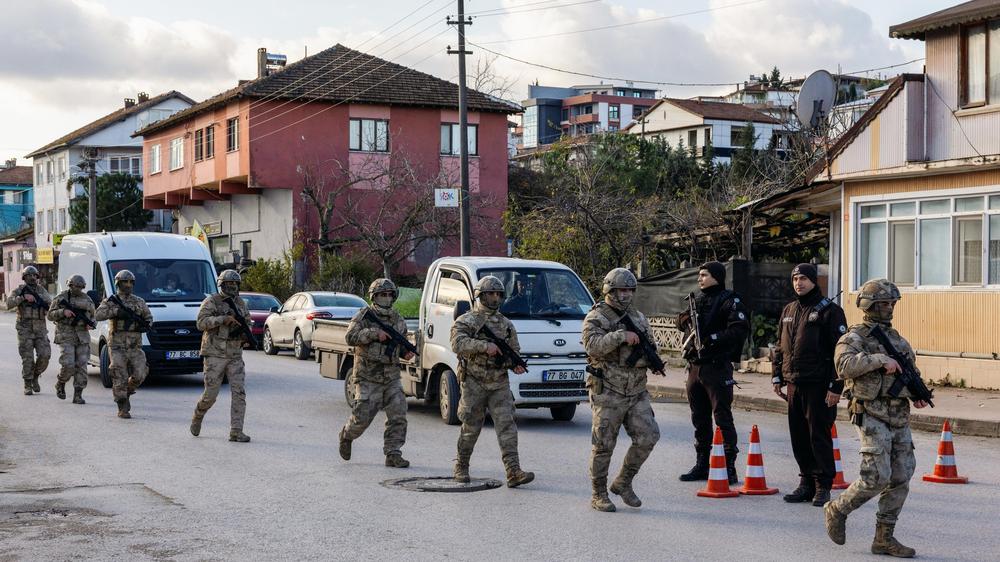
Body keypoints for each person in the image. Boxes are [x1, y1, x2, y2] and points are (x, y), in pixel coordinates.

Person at [824, 279, 927, 558]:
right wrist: (879, 360)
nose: (889, 307)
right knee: (876, 477)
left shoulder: (897, 339)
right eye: (884, 303)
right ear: (869, 304)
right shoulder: (854, 337)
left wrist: (916, 392)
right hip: (870, 413)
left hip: (898, 415)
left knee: (901, 476)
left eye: (892, 303)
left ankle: (884, 538)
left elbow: (909, 372)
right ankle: (837, 509)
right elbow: (843, 366)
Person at [582, 268, 662, 512]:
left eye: (629, 290)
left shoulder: (638, 317)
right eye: (621, 290)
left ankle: (624, 482)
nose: (626, 295)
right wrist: (619, 336)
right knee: (604, 444)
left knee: (649, 436)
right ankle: (598, 493)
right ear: (610, 290)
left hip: (636, 389)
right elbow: (593, 346)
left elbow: (650, 344)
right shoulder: (597, 317)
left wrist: (653, 360)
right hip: (609, 389)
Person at [772, 264, 847, 506]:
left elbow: (840, 352)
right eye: (795, 279)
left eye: (803, 278)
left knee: (819, 436)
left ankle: (823, 486)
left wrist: (836, 387)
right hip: (794, 384)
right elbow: (780, 347)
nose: (798, 283)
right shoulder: (788, 310)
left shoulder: (830, 311)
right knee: (799, 437)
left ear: (814, 280)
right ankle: (805, 483)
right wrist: (777, 377)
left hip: (819, 385)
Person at [451, 276, 534, 488]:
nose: (495, 298)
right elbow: (458, 344)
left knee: (507, 426)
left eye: (498, 294)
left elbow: (514, 350)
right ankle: (461, 466)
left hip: (499, 383)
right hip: (474, 382)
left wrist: (513, 364)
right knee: (471, 426)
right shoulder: (467, 320)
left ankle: (513, 471)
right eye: (490, 294)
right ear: (480, 295)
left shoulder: (506, 325)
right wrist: (483, 347)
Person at [676, 261, 749, 484]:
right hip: (695, 367)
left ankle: (729, 466)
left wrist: (713, 339)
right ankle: (702, 464)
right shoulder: (696, 299)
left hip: (717, 366)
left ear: (716, 276)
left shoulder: (729, 300)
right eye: (699, 275)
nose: (700, 279)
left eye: (704, 275)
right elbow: (680, 322)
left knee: (722, 418)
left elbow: (738, 329)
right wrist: (685, 320)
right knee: (699, 419)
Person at [338, 278, 415, 468]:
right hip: (367, 376)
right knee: (362, 417)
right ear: (374, 296)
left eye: (390, 295)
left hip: (391, 376)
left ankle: (393, 453)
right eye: (382, 295)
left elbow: (400, 345)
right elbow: (350, 337)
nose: (386, 299)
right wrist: (373, 334)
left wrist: (407, 353)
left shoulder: (398, 319)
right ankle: (347, 435)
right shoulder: (365, 316)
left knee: (398, 415)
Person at [190, 270, 252, 442]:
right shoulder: (212, 301)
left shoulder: (240, 303)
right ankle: (198, 415)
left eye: (235, 284)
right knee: (211, 394)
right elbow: (200, 323)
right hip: (214, 353)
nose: (232, 287)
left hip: (234, 354)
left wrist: (246, 335)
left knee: (239, 392)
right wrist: (222, 319)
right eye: (229, 284)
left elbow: (247, 322)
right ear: (222, 285)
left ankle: (236, 431)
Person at [95, 270, 153, 419]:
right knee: (118, 374)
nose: (128, 285)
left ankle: (127, 391)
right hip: (117, 346)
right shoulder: (111, 301)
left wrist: (146, 325)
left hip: (135, 346)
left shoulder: (139, 301)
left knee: (140, 373)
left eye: (130, 282)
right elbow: (98, 315)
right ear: (118, 283)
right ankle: (122, 405)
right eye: (124, 282)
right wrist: (115, 312)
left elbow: (148, 317)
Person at [48, 275, 96, 404]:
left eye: (81, 287)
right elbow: (50, 315)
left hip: (82, 337)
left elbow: (93, 316)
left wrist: (91, 323)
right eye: (76, 286)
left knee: (81, 366)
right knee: (68, 364)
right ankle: (61, 382)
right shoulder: (61, 298)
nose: (78, 289)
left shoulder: (87, 299)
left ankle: (78, 394)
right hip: (66, 335)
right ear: (70, 285)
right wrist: (63, 312)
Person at [6, 266, 52, 396]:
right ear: (24, 277)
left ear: (37, 277)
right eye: (29, 275)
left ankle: (35, 376)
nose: (32, 278)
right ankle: (27, 383)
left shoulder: (41, 290)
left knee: (45, 355)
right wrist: (23, 298)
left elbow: (50, 303)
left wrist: (38, 299)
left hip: (40, 329)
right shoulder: (19, 291)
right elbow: (8, 304)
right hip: (24, 329)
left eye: (34, 275)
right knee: (27, 358)